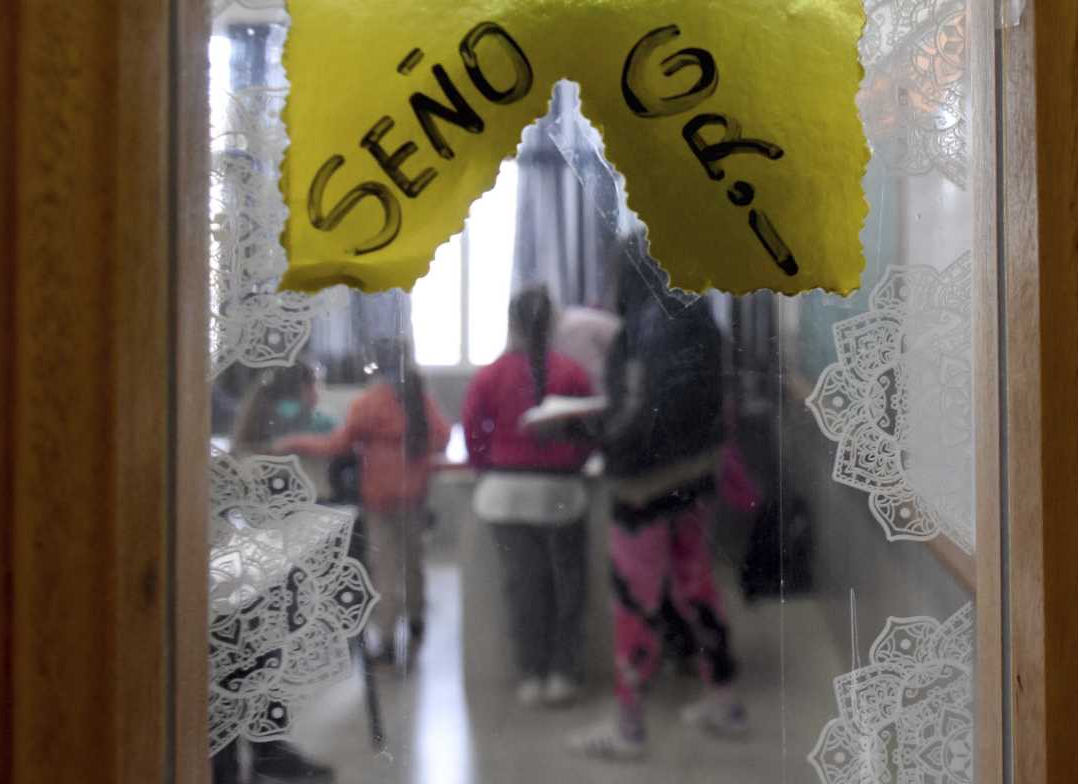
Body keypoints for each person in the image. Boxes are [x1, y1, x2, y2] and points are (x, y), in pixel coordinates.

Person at [568, 244, 747, 761]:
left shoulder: (644, 323)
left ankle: (629, 727)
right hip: (697, 474)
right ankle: (724, 701)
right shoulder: (701, 316)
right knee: (697, 588)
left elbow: (640, 413)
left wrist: (595, 435)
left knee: (633, 603)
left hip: (642, 486)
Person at [278, 335, 449, 671]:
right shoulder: (420, 399)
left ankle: (386, 642)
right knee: (413, 564)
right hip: (413, 495)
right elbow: (441, 436)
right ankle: (415, 627)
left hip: (379, 499)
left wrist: (293, 442)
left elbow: (337, 445)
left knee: (384, 569)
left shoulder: (369, 403)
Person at [461, 285, 597, 707]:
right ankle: (562, 675)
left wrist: (490, 465)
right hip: (561, 494)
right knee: (566, 589)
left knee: (524, 589)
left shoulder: (489, 375)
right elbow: (588, 433)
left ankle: (530, 676)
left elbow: (472, 434)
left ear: (511, 322)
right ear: (553, 322)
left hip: (504, 495)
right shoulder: (571, 372)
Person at [220, 362, 336, 784]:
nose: (318, 392)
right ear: (302, 387)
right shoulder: (295, 421)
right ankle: (258, 754)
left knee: (259, 659)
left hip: (255, 562)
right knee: (259, 660)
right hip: (267, 561)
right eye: (315, 383)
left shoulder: (257, 419)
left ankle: (260, 752)